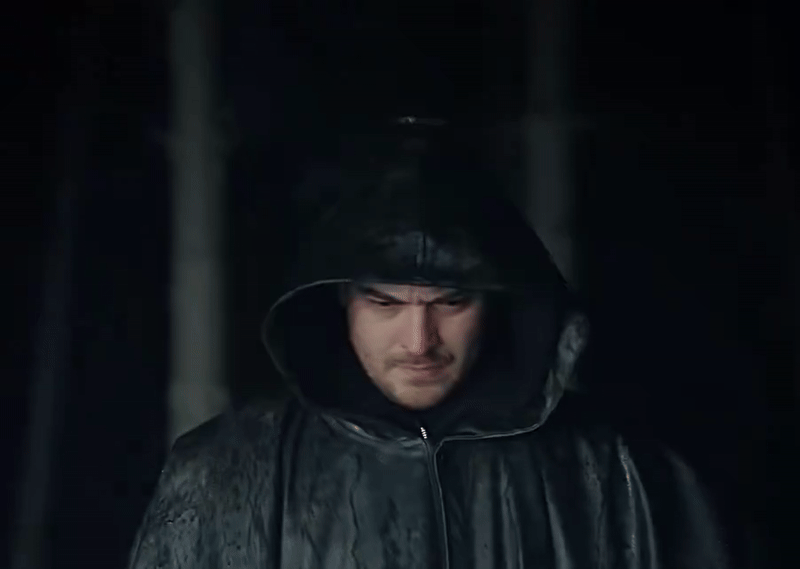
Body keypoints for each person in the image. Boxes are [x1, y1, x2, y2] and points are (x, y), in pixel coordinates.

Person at [128, 119, 735, 568]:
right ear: (339, 299)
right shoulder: (227, 471)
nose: (419, 341)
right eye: (385, 303)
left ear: (497, 301)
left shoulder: (615, 474)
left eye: (451, 302)